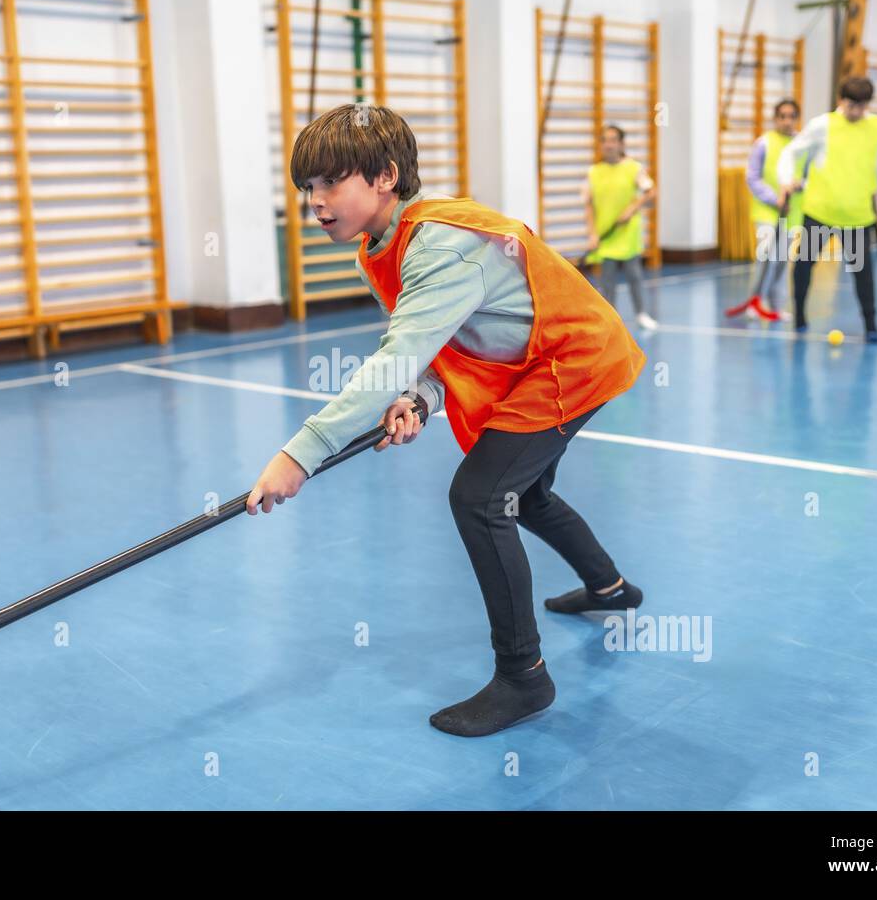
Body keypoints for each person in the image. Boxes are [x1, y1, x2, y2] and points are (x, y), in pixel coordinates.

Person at [245, 104, 647, 737]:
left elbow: (395, 356)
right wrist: (421, 401)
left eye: (329, 183)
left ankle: (524, 677)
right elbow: (437, 344)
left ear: (384, 177)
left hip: (571, 357)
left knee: (483, 497)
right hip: (530, 358)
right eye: (306, 188)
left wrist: (302, 453)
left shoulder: (440, 244)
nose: (314, 202)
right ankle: (610, 588)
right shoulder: (382, 248)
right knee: (526, 492)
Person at [777, 76, 877, 343]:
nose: (855, 111)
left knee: (863, 274)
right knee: (803, 266)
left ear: (868, 104)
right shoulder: (822, 125)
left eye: (860, 106)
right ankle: (799, 316)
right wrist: (786, 179)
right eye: (850, 105)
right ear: (841, 100)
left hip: (856, 217)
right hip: (820, 212)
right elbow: (791, 152)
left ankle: (871, 325)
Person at [728, 98, 805, 322]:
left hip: (792, 212)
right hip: (767, 211)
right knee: (765, 257)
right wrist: (774, 199)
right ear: (775, 118)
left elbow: (810, 175)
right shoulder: (764, 143)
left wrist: (800, 184)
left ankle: (777, 307)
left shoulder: (802, 145)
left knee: (781, 260)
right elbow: (752, 177)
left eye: (791, 116)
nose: (787, 121)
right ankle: (755, 302)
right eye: (782, 116)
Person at [584, 125, 659, 330]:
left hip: (628, 235)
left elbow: (651, 192)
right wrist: (592, 234)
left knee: (634, 276)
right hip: (606, 236)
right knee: (607, 281)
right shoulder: (594, 172)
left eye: (613, 140)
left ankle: (641, 314)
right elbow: (588, 205)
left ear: (621, 144)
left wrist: (632, 209)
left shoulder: (634, 168)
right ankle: (611, 320)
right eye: (605, 140)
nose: (608, 145)